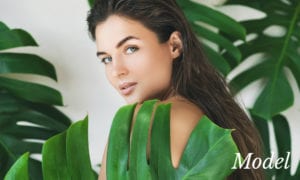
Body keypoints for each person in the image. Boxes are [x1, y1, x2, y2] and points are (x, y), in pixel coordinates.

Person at [87, 0, 264, 179]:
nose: (117, 71)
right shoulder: (214, 113)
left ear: (174, 45)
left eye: (131, 49)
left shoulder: (147, 120)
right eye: (107, 59)